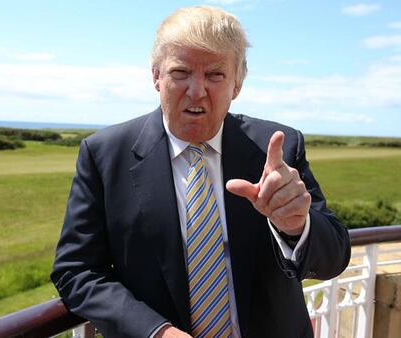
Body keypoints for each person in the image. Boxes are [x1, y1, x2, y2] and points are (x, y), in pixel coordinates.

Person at [51, 6, 350, 338]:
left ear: (237, 84)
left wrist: (296, 226)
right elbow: (77, 271)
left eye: (215, 75)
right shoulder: (105, 155)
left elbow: (334, 257)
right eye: (180, 72)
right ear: (156, 77)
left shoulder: (277, 148)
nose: (196, 90)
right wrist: (156, 332)